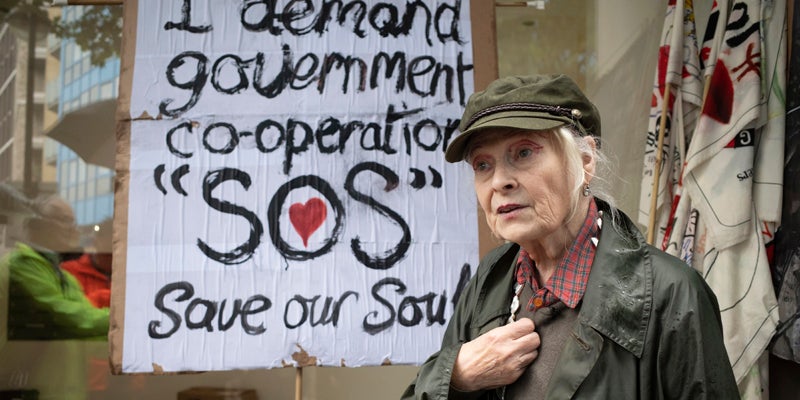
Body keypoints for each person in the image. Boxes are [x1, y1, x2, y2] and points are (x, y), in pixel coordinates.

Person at [401, 74, 739, 399]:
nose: (499, 181)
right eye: (482, 165)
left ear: (586, 160)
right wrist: (458, 375)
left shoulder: (671, 293)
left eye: (523, 153)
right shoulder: (491, 281)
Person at [4, 194, 109, 340]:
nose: (74, 229)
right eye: (67, 221)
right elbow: (72, 320)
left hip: (64, 362)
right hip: (35, 363)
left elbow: (86, 318)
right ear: (39, 224)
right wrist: (120, 319)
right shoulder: (23, 264)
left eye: (74, 222)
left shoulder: (61, 274)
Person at [61, 218, 113, 308]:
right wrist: (104, 297)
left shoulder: (131, 277)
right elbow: (67, 309)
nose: (112, 257)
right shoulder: (69, 271)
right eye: (108, 251)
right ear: (96, 242)